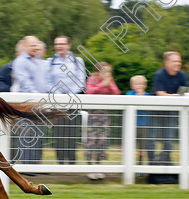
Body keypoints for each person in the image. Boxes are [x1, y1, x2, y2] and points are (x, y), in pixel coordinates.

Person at [46, 36, 86, 165]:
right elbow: (47, 82)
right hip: (56, 102)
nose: (59, 46)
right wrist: (58, 96)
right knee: (58, 133)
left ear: (68, 45)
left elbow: (81, 81)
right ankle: (60, 162)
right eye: (57, 44)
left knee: (72, 132)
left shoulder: (77, 61)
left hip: (73, 102)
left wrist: (68, 96)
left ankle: (72, 162)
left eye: (62, 44)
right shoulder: (49, 61)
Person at [11, 36, 48, 168]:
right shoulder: (20, 61)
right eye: (32, 45)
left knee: (38, 134)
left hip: (40, 104)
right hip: (27, 105)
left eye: (37, 44)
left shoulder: (39, 61)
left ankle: (35, 166)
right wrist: (38, 97)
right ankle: (27, 167)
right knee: (27, 135)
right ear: (25, 46)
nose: (35, 47)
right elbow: (25, 82)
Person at [151, 51, 189, 166]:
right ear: (166, 62)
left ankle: (167, 164)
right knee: (151, 138)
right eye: (174, 61)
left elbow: (184, 92)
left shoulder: (182, 75)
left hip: (171, 111)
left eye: (179, 61)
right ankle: (152, 166)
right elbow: (160, 93)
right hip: (155, 110)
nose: (178, 63)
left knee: (168, 138)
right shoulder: (159, 74)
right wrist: (175, 96)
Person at [85, 61, 120, 180]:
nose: (106, 74)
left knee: (102, 141)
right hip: (93, 115)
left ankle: (99, 167)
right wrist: (102, 85)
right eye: (104, 71)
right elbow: (89, 91)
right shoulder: (92, 79)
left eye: (108, 72)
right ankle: (90, 168)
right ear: (97, 72)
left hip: (104, 115)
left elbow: (116, 93)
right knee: (91, 141)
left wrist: (108, 84)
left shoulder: (110, 81)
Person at [125, 75, 151, 166]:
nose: (140, 86)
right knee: (130, 146)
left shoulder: (148, 95)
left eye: (141, 84)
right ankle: (129, 164)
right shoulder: (130, 94)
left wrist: (142, 96)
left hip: (144, 125)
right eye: (137, 84)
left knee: (142, 147)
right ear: (132, 86)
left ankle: (140, 165)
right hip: (131, 125)